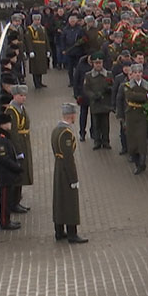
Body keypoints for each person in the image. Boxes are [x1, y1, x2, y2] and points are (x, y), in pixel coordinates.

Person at [52, 103, 88, 244]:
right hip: (65, 169)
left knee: (60, 200)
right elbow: (68, 157)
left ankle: (59, 231)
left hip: (58, 168)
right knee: (70, 201)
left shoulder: (56, 129)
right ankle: (72, 233)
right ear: (71, 115)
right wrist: (74, 178)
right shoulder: (66, 133)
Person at [4, 85, 33, 214]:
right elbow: (14, 132)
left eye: (24, 96)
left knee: (22, 173)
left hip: (24, 141)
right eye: (21, 96)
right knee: (17, 174)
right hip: (19, 143)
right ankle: (13, 203)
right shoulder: (12, 111)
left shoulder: (21, 108)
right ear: (14, 96)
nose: (23, 98)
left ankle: (17, 201)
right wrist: (18, 150)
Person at [0, 113, 22, 230]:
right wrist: (16, 167)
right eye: (8, 122)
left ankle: (7, 219)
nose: (10, 124)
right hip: (4, 174)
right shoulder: (0, 140)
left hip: (7, 174)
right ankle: (4, 221)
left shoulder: (4, 137)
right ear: (3, 124)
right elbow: (3, 158)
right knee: (4, 199)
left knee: (7, 198)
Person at [122, 64, 148, 174]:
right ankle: (135, 160)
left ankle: (142, 163)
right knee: (132, 139)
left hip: (142, 115)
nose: (138, 74)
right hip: (131, 115)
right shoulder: (127, 85)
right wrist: (145, 97)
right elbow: (130, 96)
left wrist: (141, 96)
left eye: (140, 72)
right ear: (132, 74)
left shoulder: (147, 85)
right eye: (135, 72)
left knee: (142, 139)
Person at [83, 53, 114, 149]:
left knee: (105, 124)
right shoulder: (88, 76)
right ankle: (97, 141)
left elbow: (113, 86)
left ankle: (106, 141)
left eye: (100, 62)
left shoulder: (108, 74)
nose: (98, 65)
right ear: (92, 63)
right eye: (96, 63)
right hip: (95, 103)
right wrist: (93, 95)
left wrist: (109, 89)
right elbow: (86, 89)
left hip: (105, 103)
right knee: (95, 123)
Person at [24, 13, 50, 89]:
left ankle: (40, 82)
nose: (37, 21)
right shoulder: (30, 29)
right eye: (36, 20)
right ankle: (36, 83)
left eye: (38, 20)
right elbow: (28, 40)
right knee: (35, 67)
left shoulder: (42, 28)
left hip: (42, 50)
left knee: (41, 67)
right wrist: (30, 51)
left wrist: (48, 50)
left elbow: (46, 40)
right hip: (35, 50)